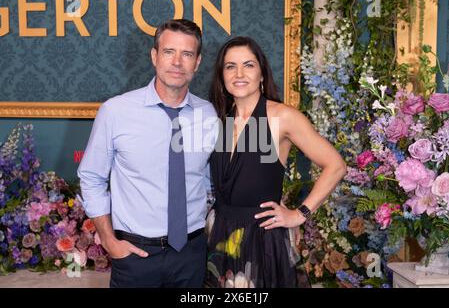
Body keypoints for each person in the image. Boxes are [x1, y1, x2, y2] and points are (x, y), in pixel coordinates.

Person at [77, 19, 218, 288]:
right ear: (154, 56)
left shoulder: (209, 115)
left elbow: (213, 181)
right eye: (169, 52)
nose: (177, 62)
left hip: (191, 255)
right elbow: (92, 177)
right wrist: (108, 240)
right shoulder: (115, 111)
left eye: (187, 54)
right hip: (135, 256)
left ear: (197, 62)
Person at [205, 36, 347, 288]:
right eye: (230, 66)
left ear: (261, 73)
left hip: (263, 239)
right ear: (222, 76)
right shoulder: (219, 119)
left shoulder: (283, 116)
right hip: (220, 235)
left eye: (248, 65)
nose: (239, 73)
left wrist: (299, 214)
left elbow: (336, 165)